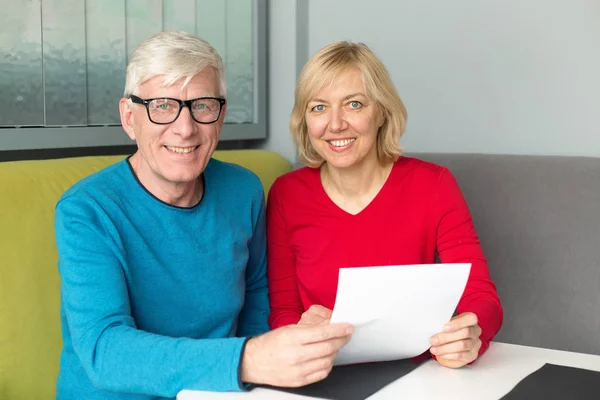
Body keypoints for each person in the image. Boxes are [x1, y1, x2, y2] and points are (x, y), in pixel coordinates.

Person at [54, 31, 353, 400]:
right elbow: (104, 349)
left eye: (202, 105)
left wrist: (274, 356)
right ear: (129, 117)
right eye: (162, 105)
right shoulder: (86, 210)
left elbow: (260, 295)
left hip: (224, 391)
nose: (185, 127)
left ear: (221, 115)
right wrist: (247, 359)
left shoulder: (244, 190)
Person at [266, 41, 503, 368]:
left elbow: (480, 294)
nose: (335, 124)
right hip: (322, 373)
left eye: (353, 104)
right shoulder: (286, 194)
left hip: (418, 373)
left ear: (381, 112)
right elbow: (283, 311)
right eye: (318, 107)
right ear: (304, 120)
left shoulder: (433, 185)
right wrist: (295, 333)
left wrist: (472, 332)